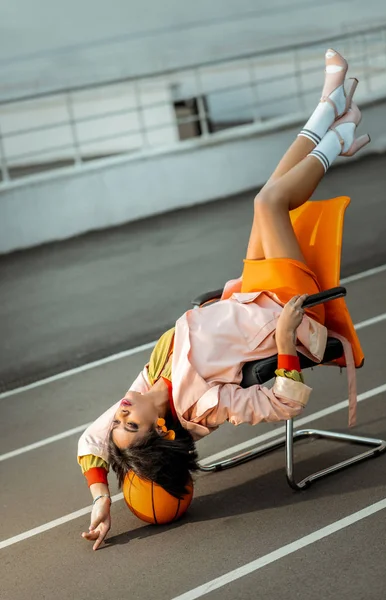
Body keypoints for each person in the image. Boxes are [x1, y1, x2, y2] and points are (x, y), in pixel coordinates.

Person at [78, 49, 369, 550]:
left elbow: (89, 443)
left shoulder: (150, 385)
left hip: (253, 293)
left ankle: (329, 106)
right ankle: (340, 130)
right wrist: (282, 340)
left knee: (265, 195)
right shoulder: (204, 406)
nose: (120, 412)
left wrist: (103, 498)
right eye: (130, 423)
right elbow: (284, 403)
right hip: (287, 310)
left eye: (118, 422)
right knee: (268, 202)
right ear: (165, 433)